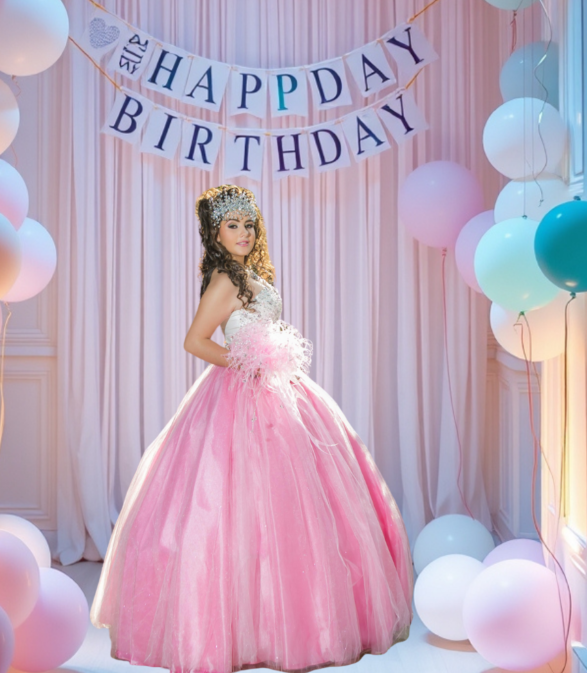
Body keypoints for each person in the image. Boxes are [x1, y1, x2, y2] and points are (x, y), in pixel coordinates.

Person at [91, 184, 413, 672]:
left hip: (282, 392)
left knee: (294, 504)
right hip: (243, 397)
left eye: (248, 223)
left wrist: (270, 364)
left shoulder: (250, 275)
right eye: (232, 225)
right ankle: (245, 625)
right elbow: (195, 341)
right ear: (215, 233)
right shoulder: (225, 278)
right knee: (234, 506)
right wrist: (247, 364)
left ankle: (287, 617)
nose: (243, 233)